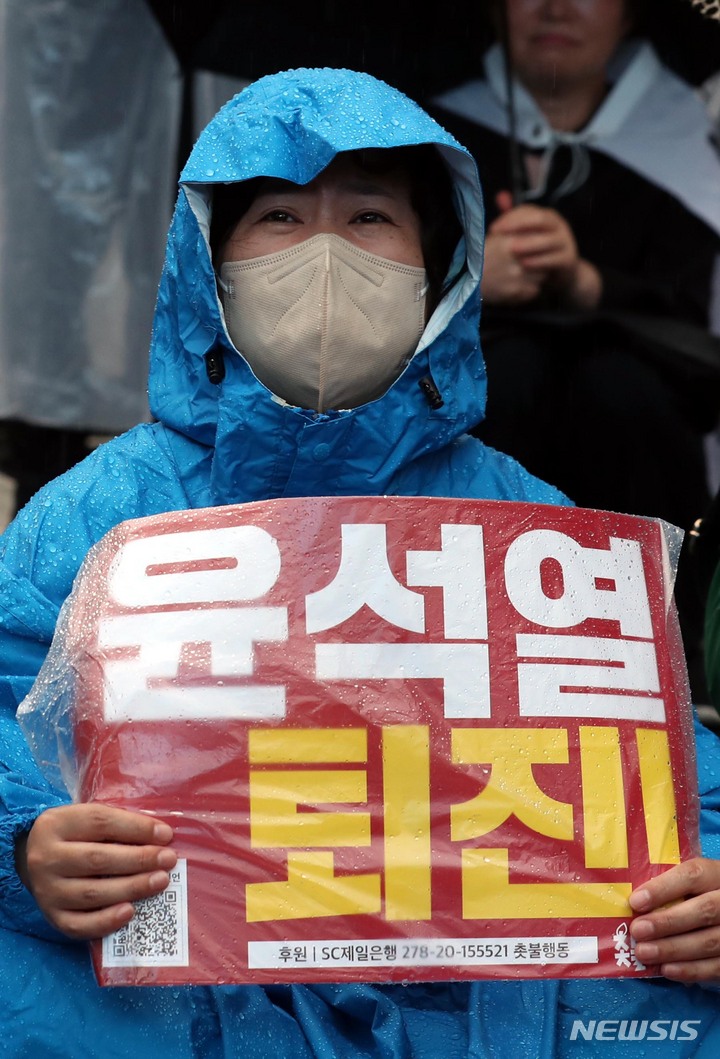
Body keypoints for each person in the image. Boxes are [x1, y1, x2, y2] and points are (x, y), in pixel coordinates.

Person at [2, 65, 720, 1058]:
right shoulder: (98, 514)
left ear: (440, 268)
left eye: (372, 218)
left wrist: (708, 878)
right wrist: (25, 849)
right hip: (184, 980)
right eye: (282, 220)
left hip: (465, 976)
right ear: (209, 263)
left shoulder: (524, 518)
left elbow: (658, 758)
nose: (327, 257)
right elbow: (6, 702)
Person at [428, 0, 720, 694]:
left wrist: (590, 284)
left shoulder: (688, 137)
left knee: (616, 389)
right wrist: (472, 276)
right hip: (487, 446)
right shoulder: (429, 137)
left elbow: (698, 324)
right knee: (510, 374)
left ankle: (661, 671)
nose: (556, 7)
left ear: (631, 15)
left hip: (636, 453)